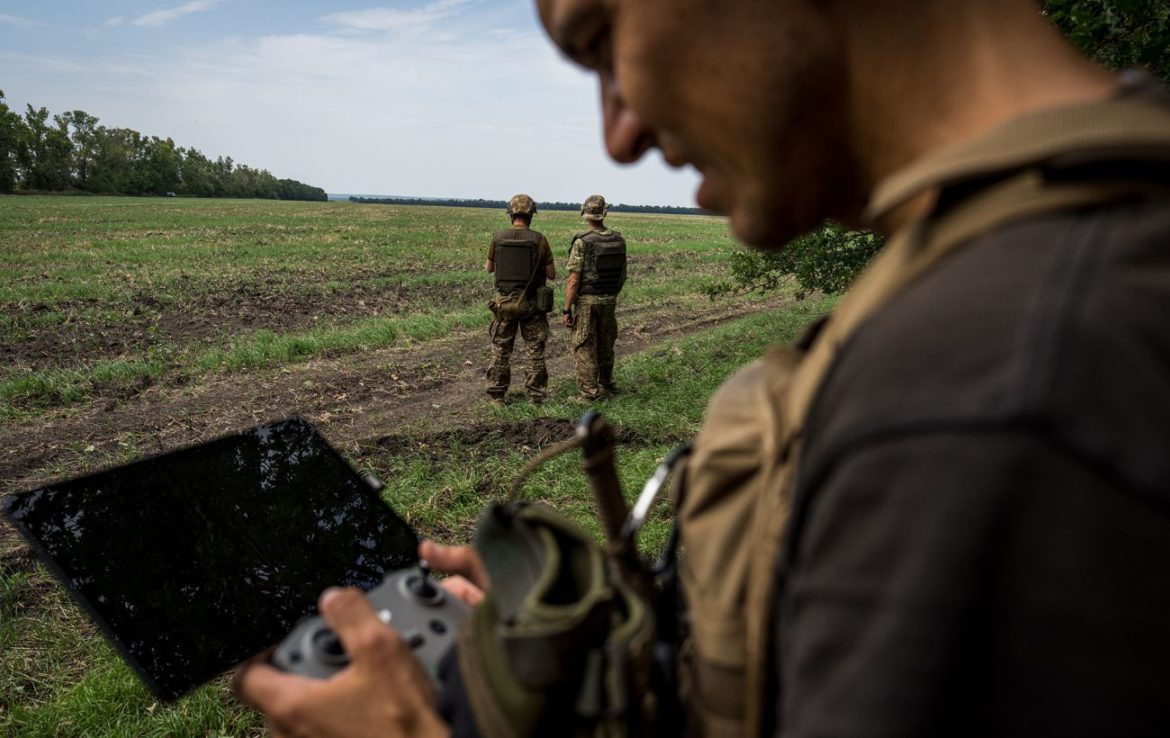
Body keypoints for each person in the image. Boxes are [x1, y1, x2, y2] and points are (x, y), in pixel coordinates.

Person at [236, 1, 1170, 736]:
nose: (621, 131)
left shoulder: (986, 391)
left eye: (604, 37)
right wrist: (616, 649)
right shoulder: (1019, 277)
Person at [484, 194, 556, 405]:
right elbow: (551, 274)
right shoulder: (539, 240)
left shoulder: (497, 238)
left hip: (504, 304)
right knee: (534, 350)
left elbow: (489, 268)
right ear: (531, 215)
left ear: (511, 214)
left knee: (500, 350)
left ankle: (497, 396)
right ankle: (536, 396)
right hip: (531, 304)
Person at [563, 194, 627, 401]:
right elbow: (622, 275)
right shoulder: (618, 240)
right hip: (609, 300)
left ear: (585, 214)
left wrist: (567, 308)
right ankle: (606, 385)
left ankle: (590, 393)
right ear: (604, 213)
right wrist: (611, 296)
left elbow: (573, 280)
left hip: (588, 303)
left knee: (584, 346)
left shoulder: (582, 242)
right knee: (606, 344)